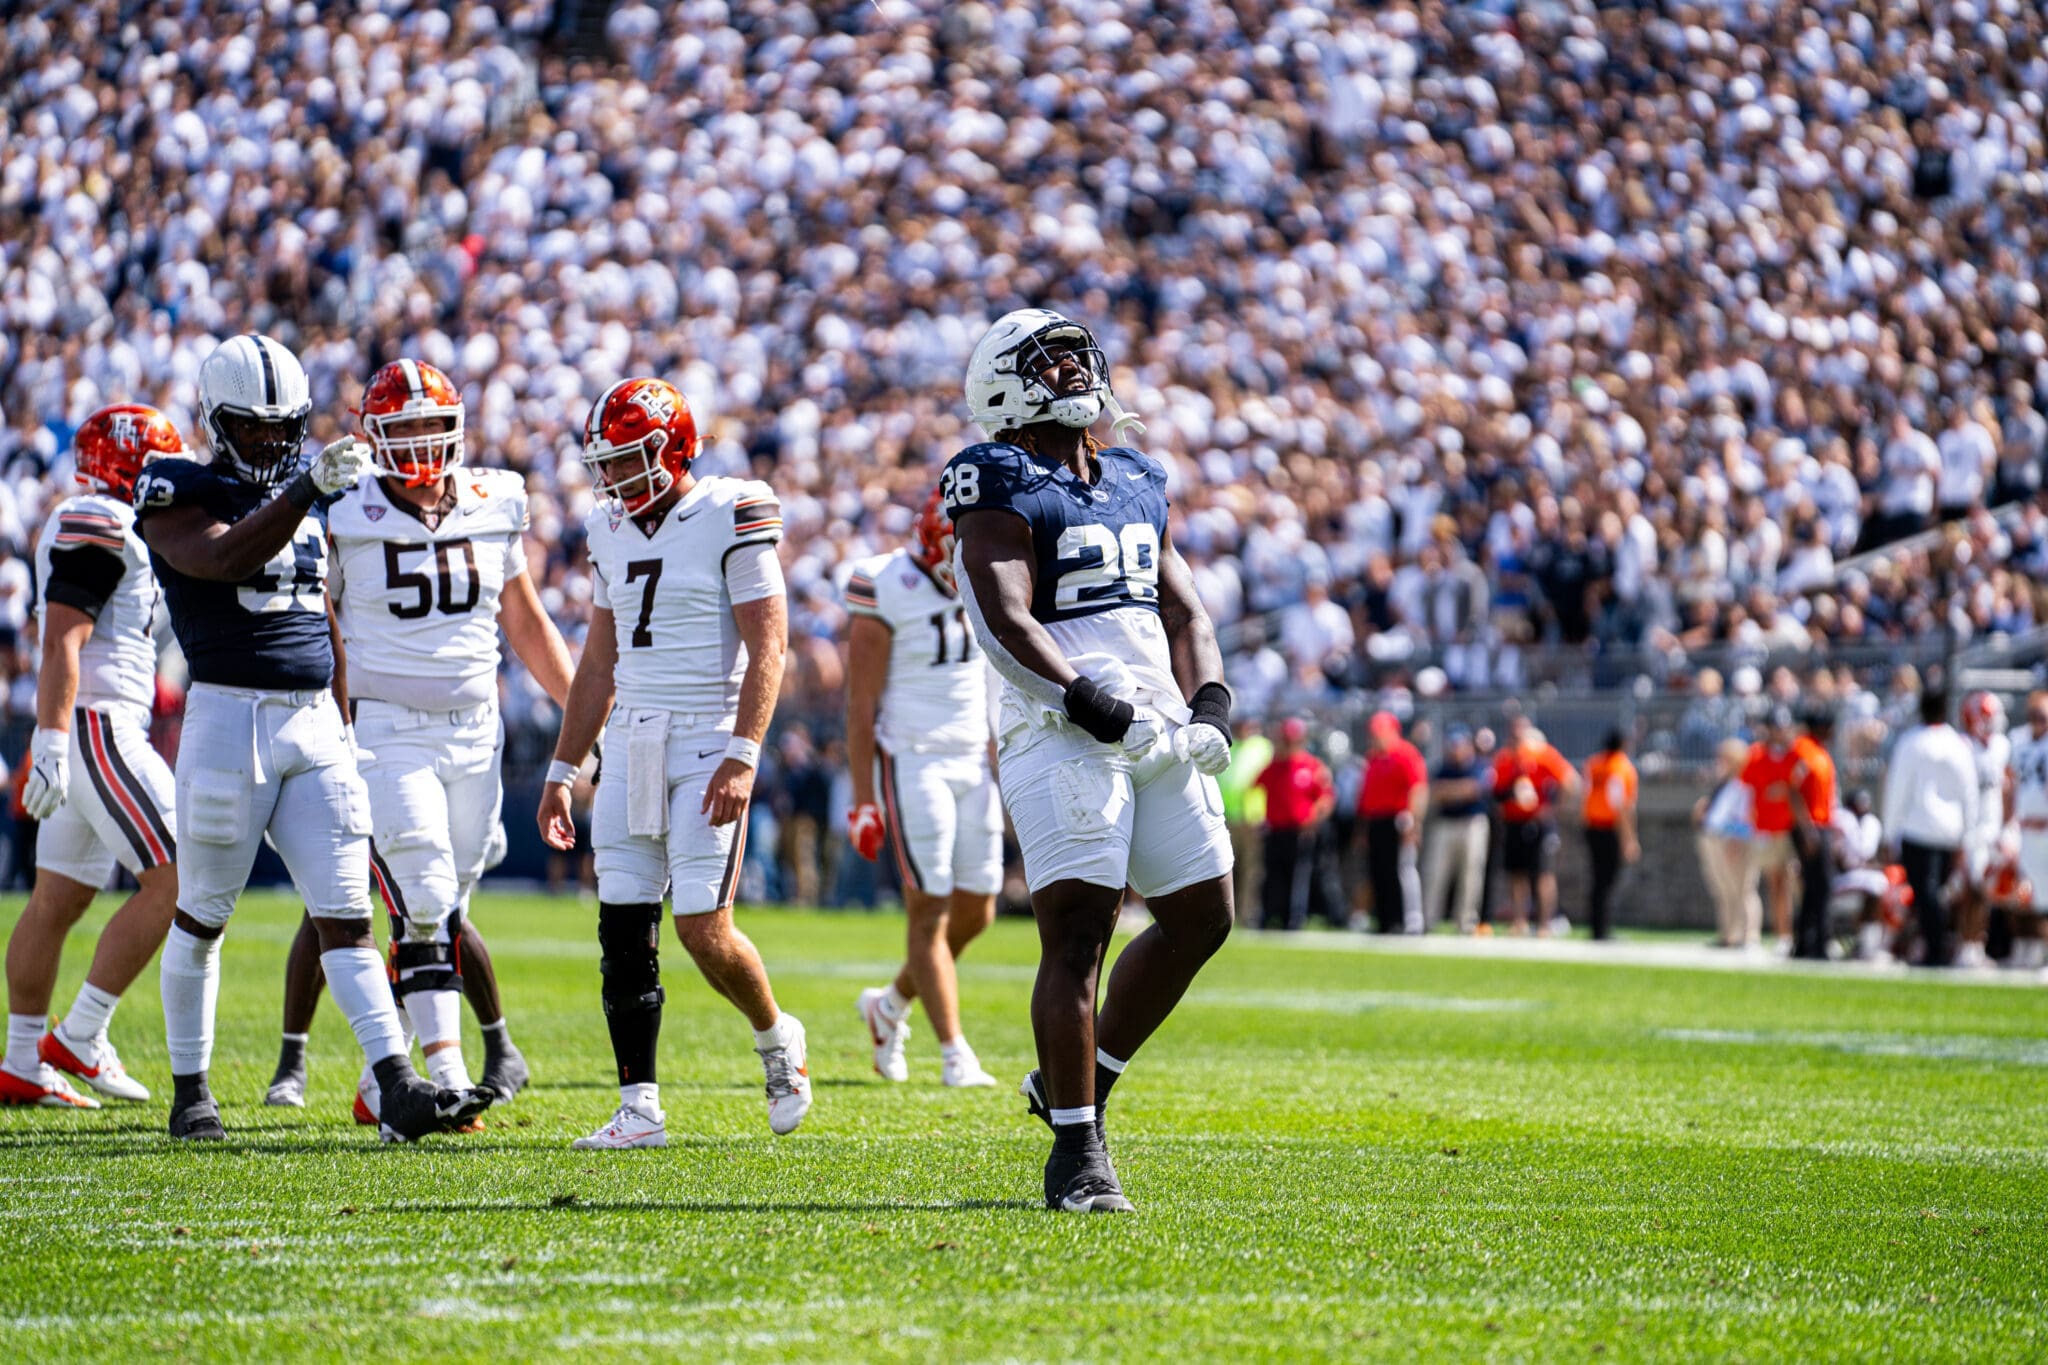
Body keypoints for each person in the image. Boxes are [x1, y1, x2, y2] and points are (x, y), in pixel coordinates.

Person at [132, 333, 492, 1142]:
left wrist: (347, 702)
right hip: (229, 719)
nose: (268, 440)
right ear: (214, 421)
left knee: (346, 913)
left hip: (315, 720)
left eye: (280, 426)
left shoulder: (313, 492)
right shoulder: (176, 488)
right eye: (250, 427)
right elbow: (222, 559)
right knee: (202, 912)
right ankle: (191, 1091)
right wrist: (300, 491)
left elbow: (317, 612)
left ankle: (396, 1083)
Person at [946, 308, 1235, 1213]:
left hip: (1151, 724)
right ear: (1005, 384)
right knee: (1079, 935)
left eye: (1079, 357)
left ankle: (1080, 1088)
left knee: (1203, 915)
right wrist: (1082, 695)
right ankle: (1077, 1154)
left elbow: (1183, 608)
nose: (1075, 372)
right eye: (1052, 361)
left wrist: (1212, 696)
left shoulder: (1136, 476)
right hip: (1059, 728)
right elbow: (1005, 611)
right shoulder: (994, 474)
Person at [264, 359, 576, 1120]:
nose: (419, 444)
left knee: (446, 900)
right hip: (386, 728)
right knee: (426, 890)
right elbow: (321, 626)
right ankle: (446, 1072)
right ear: (373, 437)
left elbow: (526, 618)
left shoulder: (493, 498)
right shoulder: (344, 508)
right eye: (401, 430)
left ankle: (382, 1084)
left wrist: (580, 713)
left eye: (431, 427)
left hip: (476, 732)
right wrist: (326, 721)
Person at [537, 377, 810, 1150]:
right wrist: (563, 769)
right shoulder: (608, 527)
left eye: (628, 460)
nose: (614, 478)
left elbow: (771, 644)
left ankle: (775, 1038)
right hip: (632, 737)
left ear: (673, 446)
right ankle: (640, 1106)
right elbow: (597, 663)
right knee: (622, 922)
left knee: (701, 927)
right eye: (607, 463)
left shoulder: (731, 508)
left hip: (707, 737)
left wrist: (743, 753)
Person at [0, 406, 185, 1110]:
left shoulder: (112, 522)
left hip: (87, 724)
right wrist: (49, 739)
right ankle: (80, 1033)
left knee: (59, 898)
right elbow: (62, 642)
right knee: (184, 880)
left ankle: (21, 1059)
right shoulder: (99, 518)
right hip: (98, 725)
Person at [843, 487, 1001, 1089]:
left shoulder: (990, 577)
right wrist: (862, 797)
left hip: (970, 760)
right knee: (928, 908)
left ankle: (889, 1004)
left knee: (978, 910)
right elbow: (860, 704)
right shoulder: (886, 582)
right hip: (912, 758)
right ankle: (954, 1052)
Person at [1881, 687, 1978, 967]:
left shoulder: (1912, 743)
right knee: (1933, 894)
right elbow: (1968, 794)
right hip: (1949, 831)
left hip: (1918, 830)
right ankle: (1933, 944)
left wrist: (1890, 833)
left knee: (1927, 894)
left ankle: (1935, 948)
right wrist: (1966, 836)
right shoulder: (1959, 745)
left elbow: (1898, 790)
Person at [1490, 715, 1578, 935]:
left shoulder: (1543, 755)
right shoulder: (1504, 759)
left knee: (1543, 874)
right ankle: (1519, 922)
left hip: (1538, 823)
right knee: (1516, 874)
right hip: (1514, 822)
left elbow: (1571, 782)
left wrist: (1551, 809)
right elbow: (1497, 792)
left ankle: (1544, 924)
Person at [1251, 718, 1333, 931]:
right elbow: (1255, 791)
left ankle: (1294, 918)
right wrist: (1256, 818)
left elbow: (1325, 798)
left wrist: (1313, 820)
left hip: (1299, 831)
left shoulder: (1312, 766)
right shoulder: (1273, 767)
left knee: (1298, 876)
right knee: (1272, 875)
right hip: (1275, 830)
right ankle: (1269, 915)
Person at [1954, 692, 2010, 969]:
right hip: (1969, 829)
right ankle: (1967, 944)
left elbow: (2007, 787)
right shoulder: (1963, 746)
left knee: (1985, 890)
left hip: (1992, 827)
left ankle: (1976, 944)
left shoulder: (2000, 747)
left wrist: (2005, 827)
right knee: (1972, 889)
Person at [1739, 708, 1802, 953]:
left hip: (1791, 828)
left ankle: (1805, 932)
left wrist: (1784, 791)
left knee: (1798, 882)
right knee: (1776, 883)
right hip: (1766, 829)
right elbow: (1746, 792)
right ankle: (1783, 935)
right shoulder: (1756, 755)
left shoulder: (1796, 755)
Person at [1357, 711, 1427, 934]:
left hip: (1399, 819)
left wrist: (1414, 822)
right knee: (1379, 871)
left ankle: (1410, 921)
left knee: (1403, 870)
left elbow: (1418, 788)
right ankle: (1386, 920)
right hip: (1376, 820)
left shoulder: (1406, 754)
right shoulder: (1373, 757)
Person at [1423, 725, 1490, 934]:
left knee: (1470, 876)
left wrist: (1449, 790)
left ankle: (1465, 923)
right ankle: (1427, 920)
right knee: (1435, 873)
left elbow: (1474, 789)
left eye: (1459, 745)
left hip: (1471, 824)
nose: (1455, 750)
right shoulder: (1443, 768)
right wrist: (1459, 789)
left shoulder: (1478, 766)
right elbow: (1434, 792)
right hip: (1445, 824)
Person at [1695, 738, 1760, 948]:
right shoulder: (1726, 783)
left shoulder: (1745, 783)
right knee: (1724, 891)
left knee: (1744, 890)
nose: (1718, 762)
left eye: (1723, 758)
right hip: (1715, 839)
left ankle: (1749, 936)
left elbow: (1746, 816)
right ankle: (1728, 935)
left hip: (1734, 841)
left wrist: (1737, 839)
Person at [1789, 709, 1839, 961]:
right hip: (1809, 827)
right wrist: (1807, 829)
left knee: (1815, 887)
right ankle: (1816, 942)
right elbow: (1793, 789)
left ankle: (1806, 944)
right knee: (1821, 884)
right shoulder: (1804, 749)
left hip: (1821, 825)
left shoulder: (1819, 750)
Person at [1581, 728, 1640, 941]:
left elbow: (1586, 794)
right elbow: (1623, 806)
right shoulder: (1621, 767)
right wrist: (1629, 839)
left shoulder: (1593, 763)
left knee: (1597, 880)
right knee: (1607, 880)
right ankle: (1602, 930)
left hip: (1592, 826)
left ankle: (1597, 928)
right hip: (1609, 828)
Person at [2005, 692, 2048, 971]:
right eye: (2034, 715)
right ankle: (2025, 947)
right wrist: (2008, 820)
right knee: (2020, 893)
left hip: (2044, 829)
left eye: (2042, 716)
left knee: (2045, 896)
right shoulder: (2018, 742)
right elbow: (2008, 783)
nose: (2037, 721)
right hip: (2023, 828)